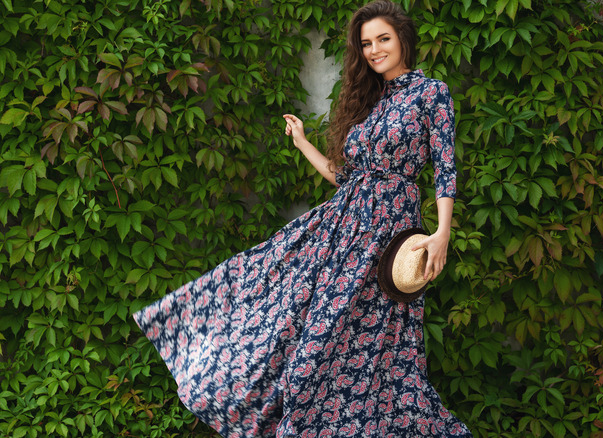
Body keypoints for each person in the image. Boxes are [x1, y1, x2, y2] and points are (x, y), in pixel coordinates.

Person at [133, 0, 472, 436]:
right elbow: (347, 179)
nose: (373, 50)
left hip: (389, 239)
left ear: (403, 38)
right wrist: (302, 144)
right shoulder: (369, 99)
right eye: (366, 43)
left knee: (378, 346)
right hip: (341, 229)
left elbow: (445, 168)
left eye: (383, 39)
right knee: (286, 304)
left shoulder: (431, 93)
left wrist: (442, 231)